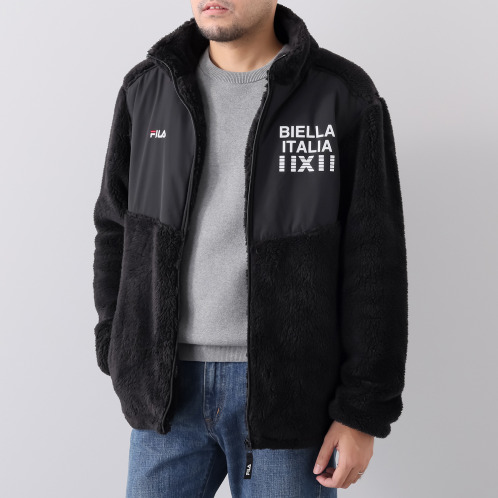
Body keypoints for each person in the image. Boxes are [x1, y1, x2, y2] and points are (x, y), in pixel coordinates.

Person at [92, 1, 408, 496]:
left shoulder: (341, 94)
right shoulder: (147, 88)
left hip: (288, 395)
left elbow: (375, 262)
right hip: (165, 393)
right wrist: (118, 345)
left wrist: (362, 411)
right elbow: (115, 228)